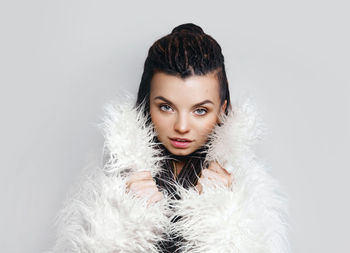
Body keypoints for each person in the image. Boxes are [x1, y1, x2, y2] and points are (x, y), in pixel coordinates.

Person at [48, 23, 290, 253]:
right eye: (166, 107)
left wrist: (221, 218)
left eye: (200, 110)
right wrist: (126, 222)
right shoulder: (113, 176)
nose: (182, 127)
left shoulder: (242, 184)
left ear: (221, 111)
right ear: (146, 105)